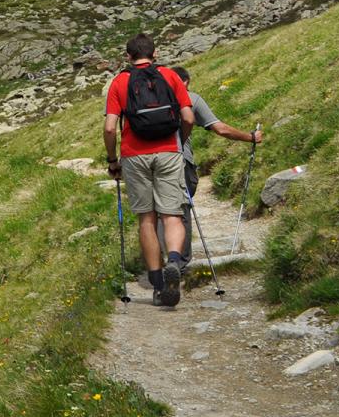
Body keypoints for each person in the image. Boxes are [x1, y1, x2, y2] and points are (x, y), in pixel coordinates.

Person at [104, 34, 195, 306]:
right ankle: (175, 262)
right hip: (168, 151)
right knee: (172, 214)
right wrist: (179, 140)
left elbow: (110, 127)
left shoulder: (120, 82)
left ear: (128, 56)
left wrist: (112, 161)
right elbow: (188, 117)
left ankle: (157, 285)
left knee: (146, 218)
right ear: (155, 53)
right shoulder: (170, 76)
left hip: (134, 155)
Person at [169, 66, 264, 262]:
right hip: (179, 160)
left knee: (156, 210)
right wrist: (251, 137)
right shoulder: (191, 98)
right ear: (185, 81)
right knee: (181, 208)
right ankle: (178, 263)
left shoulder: (151, 98)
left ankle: (157, 263)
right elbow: (220, 129)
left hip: (146, 159)